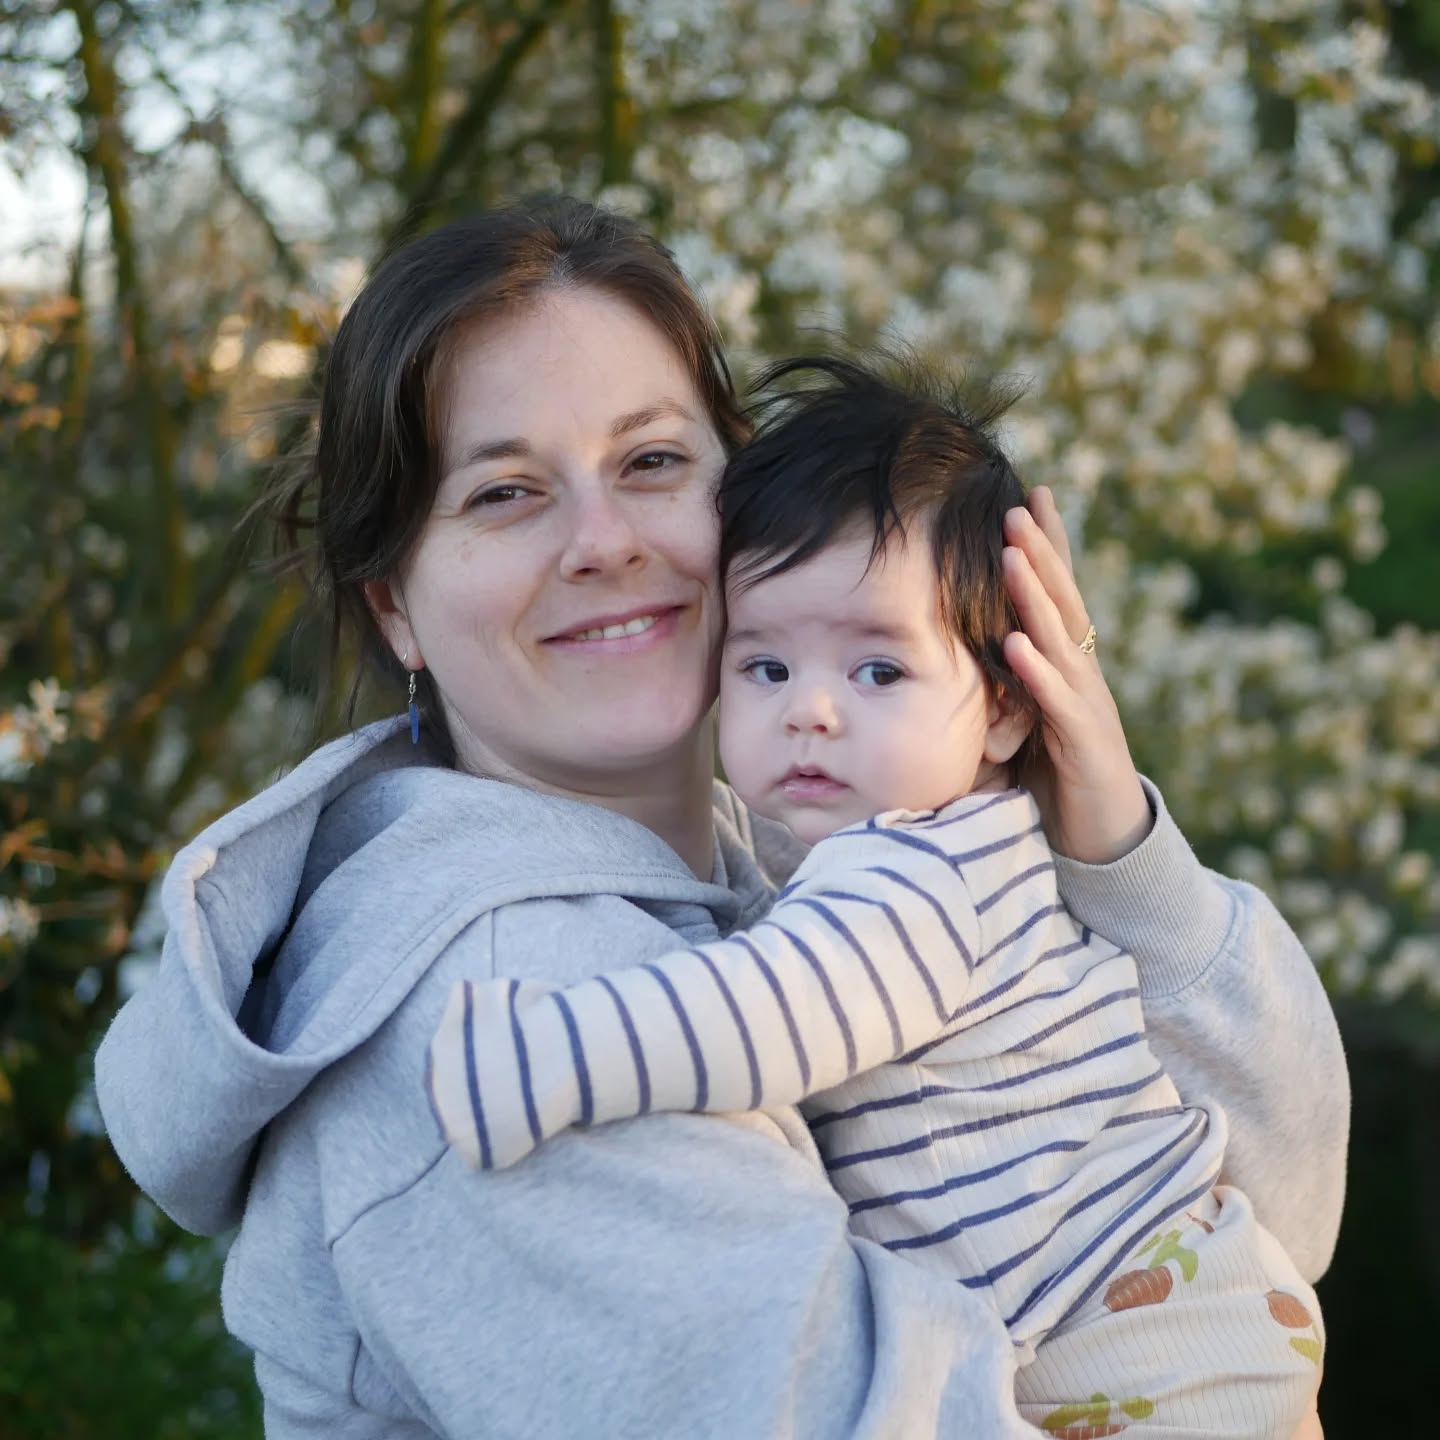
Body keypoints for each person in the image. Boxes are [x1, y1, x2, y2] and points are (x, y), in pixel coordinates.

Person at [93, 197, 1347, 1439]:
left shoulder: (801, 846)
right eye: (505, 492)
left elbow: (1275, 1222)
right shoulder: (507, 999)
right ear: (395, 609)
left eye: (650, 462)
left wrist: (1117, 851)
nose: (602, 541)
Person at [427, 353, 1325, 1439]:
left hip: (1136, 1344)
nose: (810, 710)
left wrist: (540, 1059)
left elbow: (768, 1011)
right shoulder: (946, 845)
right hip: (1173, 1310)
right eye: (765, 667)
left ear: (1007, 708)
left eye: (879, 671)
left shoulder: (914, 875)